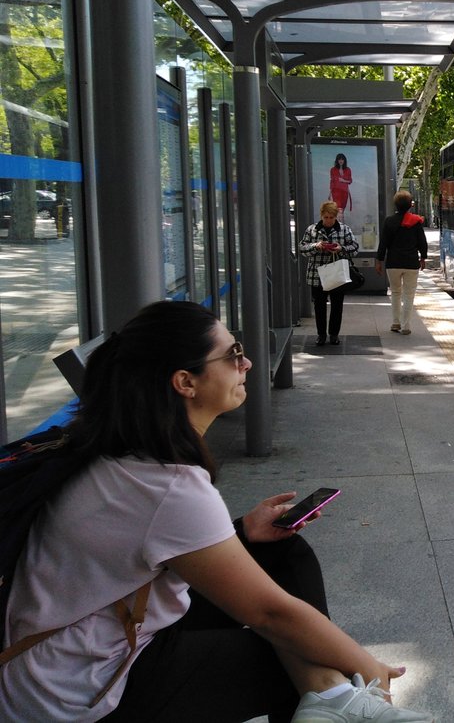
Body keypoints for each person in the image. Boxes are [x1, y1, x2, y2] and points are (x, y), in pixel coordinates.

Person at [0, 300, 429, 723]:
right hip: (75, 688)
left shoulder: (118, 446)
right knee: (291, 658)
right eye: (233, 355)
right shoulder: (164, 484)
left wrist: (240, 532)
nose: (246, 365)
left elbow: (151, 544)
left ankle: (333, 700)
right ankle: (339, 699)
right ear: (186, 382)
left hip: (106, 630)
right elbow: (269, 613)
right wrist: (369, 669)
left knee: (283, 554)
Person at [299, 201, 360, 346]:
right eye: (326, 217)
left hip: (337, 273)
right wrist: (316, 246)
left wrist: (340, 248)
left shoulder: (344, 230)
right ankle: (321, 335)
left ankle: (334, 334)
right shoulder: (312, 229)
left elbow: (355, 247)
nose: (328, 220)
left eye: (331, 217)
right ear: (321, 215)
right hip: (317, 274)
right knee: (319, 306)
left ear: (336, 216)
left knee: (337, 306)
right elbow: (302, 248)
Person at [374, 190, 427, 335]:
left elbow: (383, 243)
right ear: (410, 205)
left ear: (395, 205)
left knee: (396, 293)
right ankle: (406, 325)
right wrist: (423, 257)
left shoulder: (389, 221)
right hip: (411, 263)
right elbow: (422, 242)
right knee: (409, 295)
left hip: (393, 263)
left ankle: (395, 323)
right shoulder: (416, 222)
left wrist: (379, 260)